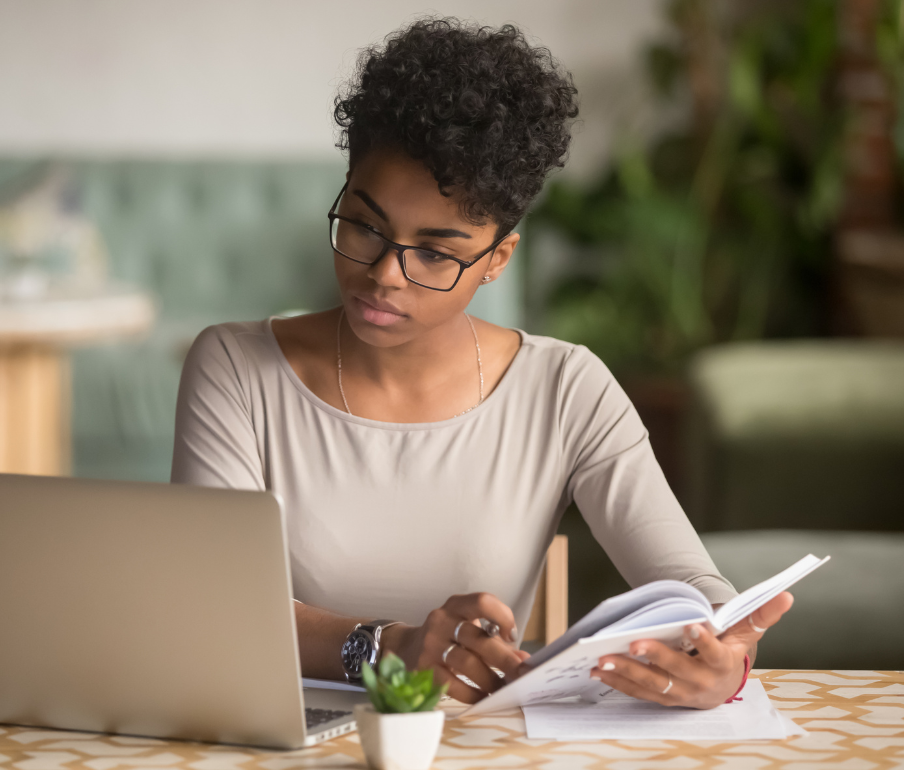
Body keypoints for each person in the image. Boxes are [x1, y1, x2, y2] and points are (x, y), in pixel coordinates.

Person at [171, 17, 792, 708]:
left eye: (435, 252)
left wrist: (725, 658)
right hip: (281, 741)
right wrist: (387, 648)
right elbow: (210, 605)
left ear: (498, 259)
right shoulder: (233, 367)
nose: (385, 274)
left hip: (480, 745)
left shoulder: (565, 388)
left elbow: (689, 583)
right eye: (364, 225)